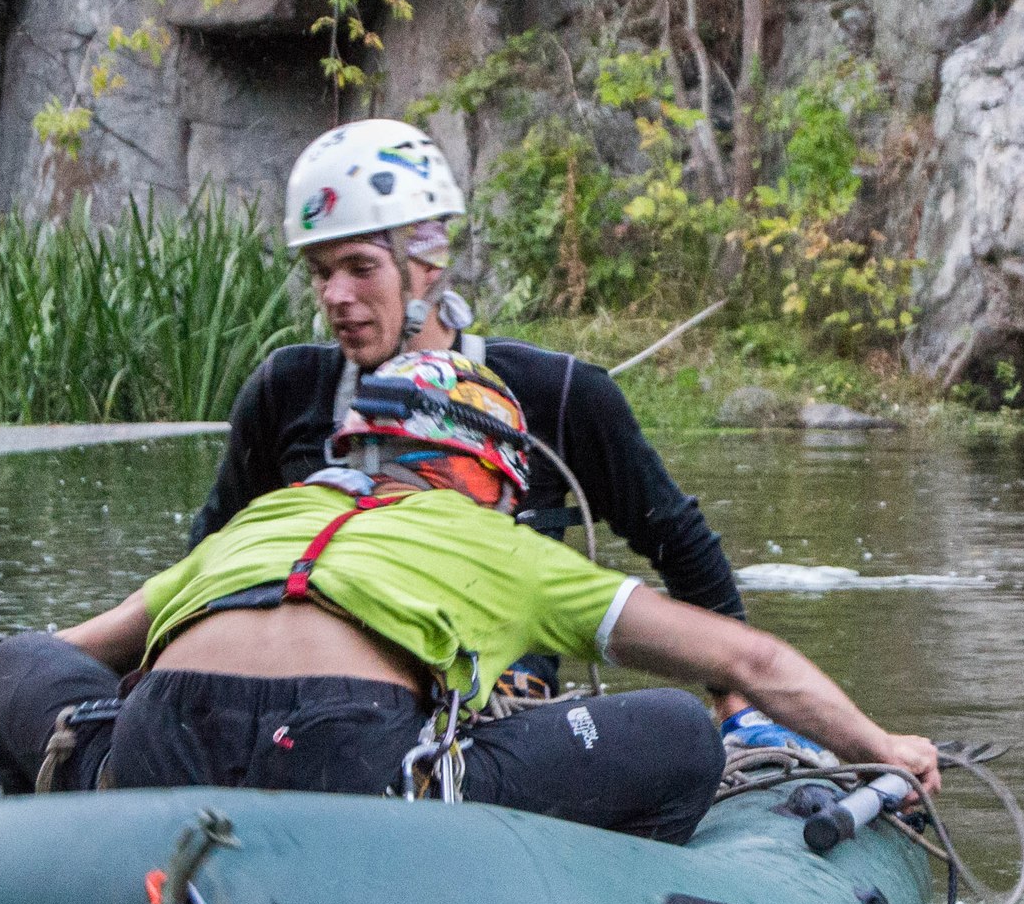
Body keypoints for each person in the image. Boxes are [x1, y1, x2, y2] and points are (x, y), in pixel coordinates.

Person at [0, 351, 936, 846]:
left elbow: (47, 658)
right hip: (347, 762)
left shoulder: (254, 527)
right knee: (675, 734)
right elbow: (745, 663)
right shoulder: (498, 548)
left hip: (155, 751)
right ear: (485, 473)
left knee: (19, 661)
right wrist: (881, 743)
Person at [193, 117, 807, 749]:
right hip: (321, 688)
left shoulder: (560, 394)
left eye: (359, 267)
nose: (336, 295)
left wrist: (739, 706)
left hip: (492, 703)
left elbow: (678, 544)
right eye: (321, 272)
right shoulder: (285, 389)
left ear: (427, 261)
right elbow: (211, 550)